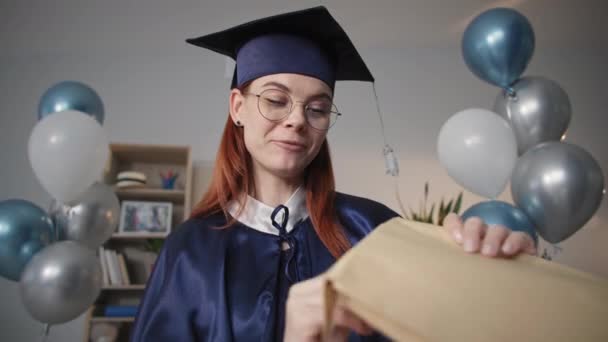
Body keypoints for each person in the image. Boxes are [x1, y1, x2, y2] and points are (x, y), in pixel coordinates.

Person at [130, 6, 536, 342]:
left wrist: (497, 279)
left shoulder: (376, 231)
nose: (296, 121)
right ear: (237, 107)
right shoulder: (188, 252)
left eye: (317, 108)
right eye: (275, 100)